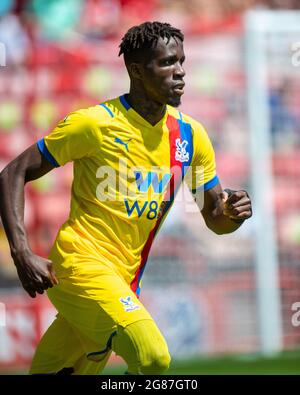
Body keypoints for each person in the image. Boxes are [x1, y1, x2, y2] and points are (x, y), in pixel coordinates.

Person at [0, 21, 252, 375]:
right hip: (79, 267)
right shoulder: (94, 124)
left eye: (182, 61)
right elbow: (12, 173)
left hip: (124, 280)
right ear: (136, 70)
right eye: (166, 63)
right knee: (152, 358)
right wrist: (22, 252)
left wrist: (234, 213)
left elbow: (216, 220)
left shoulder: (191, 137)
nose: (180, 72)